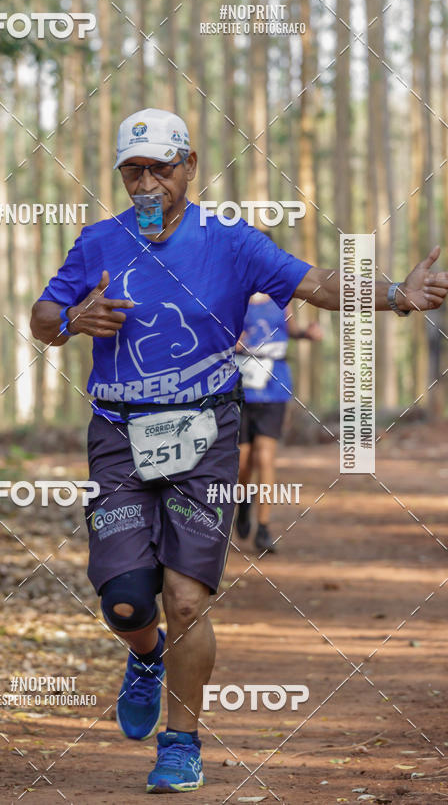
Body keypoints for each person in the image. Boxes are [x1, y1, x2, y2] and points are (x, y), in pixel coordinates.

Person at [29, 106, 448, 794]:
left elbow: (317, 285)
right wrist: (72, 321)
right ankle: (145, 656)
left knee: (187, 598)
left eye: (161, 166)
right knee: (128, 604)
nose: (147, 181)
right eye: (133, 169)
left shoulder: (231, 241)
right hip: (119, 435)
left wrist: (397, 295)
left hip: (207, 434)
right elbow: (43, 317)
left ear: (189, 166)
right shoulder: (98, 243)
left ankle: (182, 743)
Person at [235, 291, 323, 552]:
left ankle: (263, 528)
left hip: (274, 386)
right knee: (242, 461)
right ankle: (243, 502)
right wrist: (231, 340)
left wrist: (307, 333)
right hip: (240, 387)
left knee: (265, 456)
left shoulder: (282, 300)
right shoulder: (234, 295)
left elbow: (291, 329)